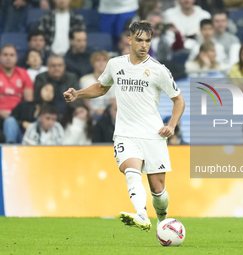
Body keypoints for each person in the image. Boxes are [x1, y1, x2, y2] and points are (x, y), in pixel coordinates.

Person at [63, 21, 185, 230]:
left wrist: (172, 126)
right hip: (125, 133)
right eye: (139, 40)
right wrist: (78, 94)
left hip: (153, 134)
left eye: (147, 41)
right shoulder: (116, 64)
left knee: (159, 191)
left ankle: (162, 221)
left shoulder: (158, 70)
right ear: (129, 40)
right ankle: (142, 215)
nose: (143, 45)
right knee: (131, 171)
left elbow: (179, 100)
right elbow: (102, 87)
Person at [0, 44, 34, 127]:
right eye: (5, 55)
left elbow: (28, 100)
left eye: (12, 55)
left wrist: (13, 118)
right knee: (10, 122)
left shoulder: (24, 73)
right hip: (0, 114)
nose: (8, 58)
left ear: (16, 58)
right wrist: (5, 116)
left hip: (19, 115)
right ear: (0, 57)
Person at [80, 51, 115, 119]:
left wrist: (104, 111)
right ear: (93, 63)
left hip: (108, 114)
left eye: (104, 60)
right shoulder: (84, 80)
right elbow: (85, 102)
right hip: (90, 115)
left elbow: (113, 100)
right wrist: (93, 111)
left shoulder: (114, 81)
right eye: (98, 60)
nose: (101, 63)